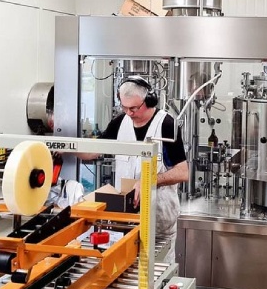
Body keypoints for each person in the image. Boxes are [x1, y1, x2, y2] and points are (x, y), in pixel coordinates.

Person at [77, 76, 188, 259]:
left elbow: (183, 172)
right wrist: (65, 148)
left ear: (149, 100)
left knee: (157, 278)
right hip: (125, 223)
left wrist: (148, 181)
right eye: (124, 107)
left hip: (158, 225)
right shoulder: (120, 123)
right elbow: (92, 152)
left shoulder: (166, 125)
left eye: (134, 108)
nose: (129, 113)